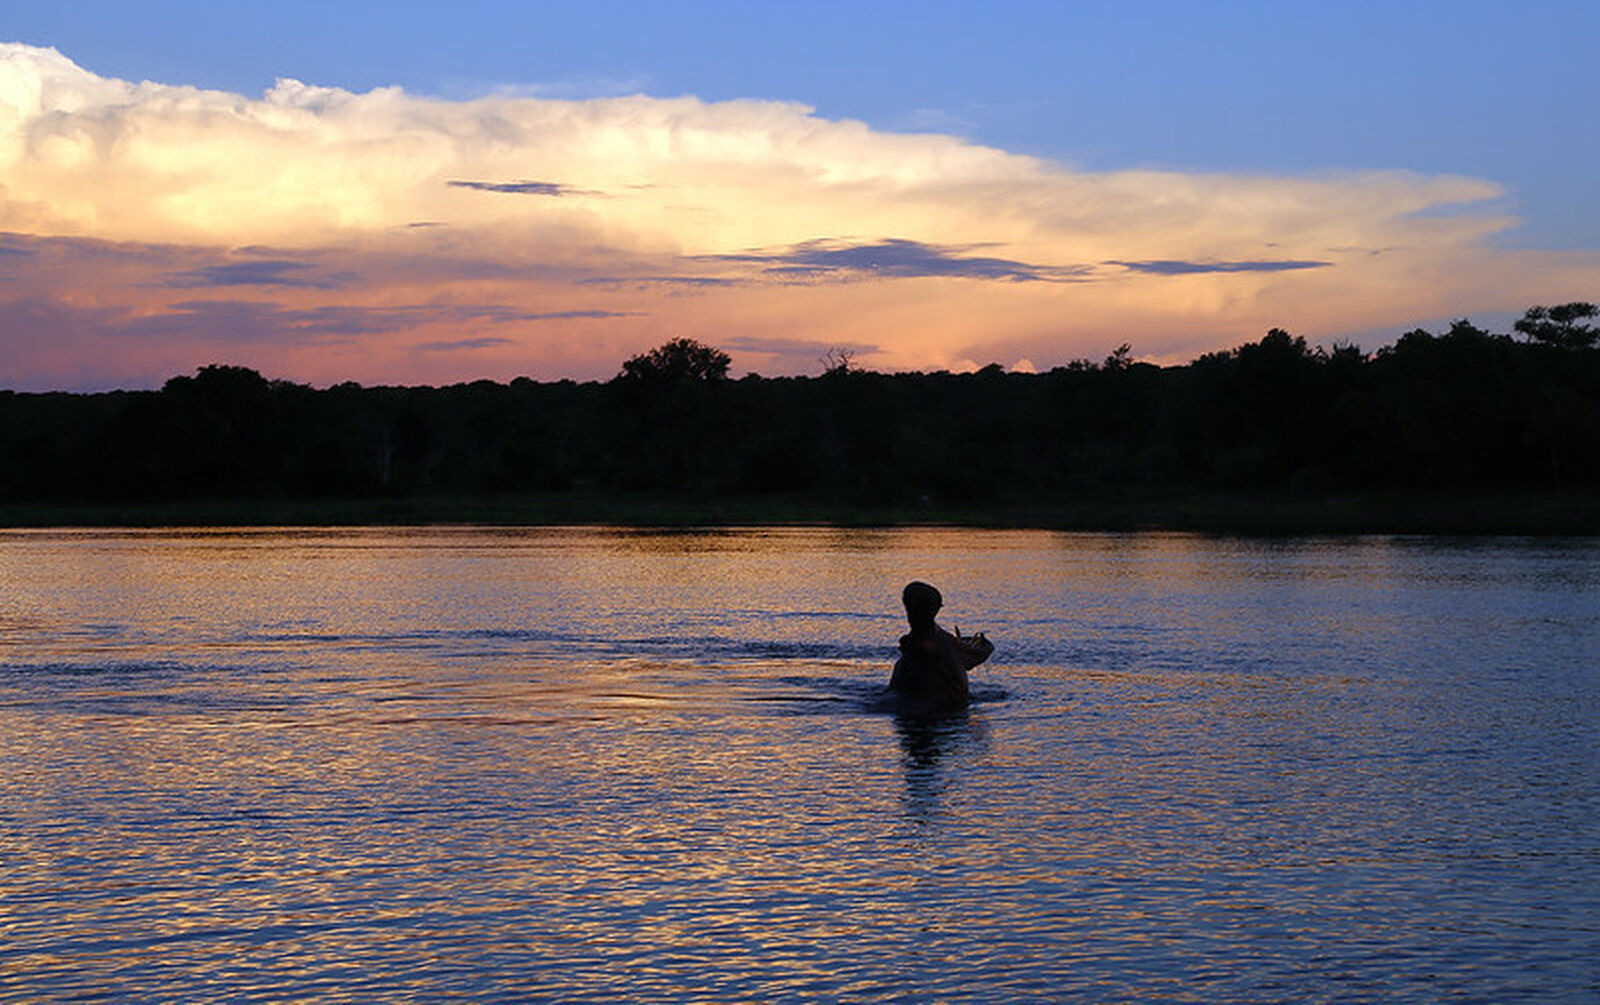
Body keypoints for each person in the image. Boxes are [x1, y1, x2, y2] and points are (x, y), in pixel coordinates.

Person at [888, 581, 993, 712]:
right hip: (939, 709)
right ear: (936, 608)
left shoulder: (916, 645)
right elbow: (972, 655)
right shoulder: (939, 643)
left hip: (905, 709)